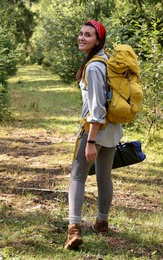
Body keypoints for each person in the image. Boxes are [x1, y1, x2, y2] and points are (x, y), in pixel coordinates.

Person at [64, 20, 123, 250]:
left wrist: (90, 141)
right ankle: (101, 222)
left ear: (98, 40)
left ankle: (73, 229)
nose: (81, 38)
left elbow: (97, 107)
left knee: (77, 176)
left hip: (95, 130)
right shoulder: (106, 59)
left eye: (88, 35)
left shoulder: (94, 67)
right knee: (103, 176)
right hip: (112, 130)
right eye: (80, 33)